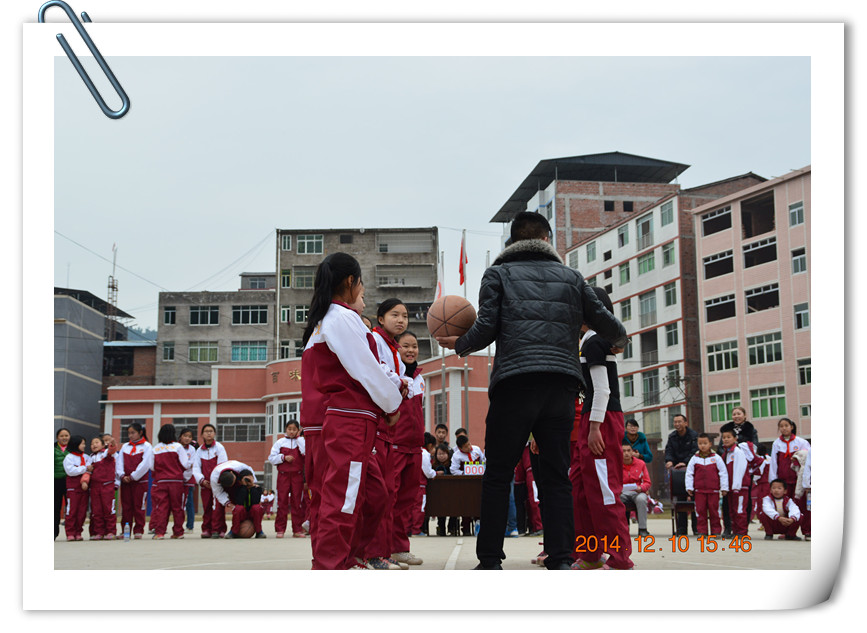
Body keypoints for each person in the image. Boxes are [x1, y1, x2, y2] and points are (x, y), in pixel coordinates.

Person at [437, 211, 627, 570]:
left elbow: (487, 327)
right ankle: (560, 559)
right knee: (557, 478)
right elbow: (609, 323)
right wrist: (618, 341)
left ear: (513, 242)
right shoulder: (572, 277)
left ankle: (490, 560)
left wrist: (459, 342)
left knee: (497, 476)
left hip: (514, 383)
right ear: (546, 240)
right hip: (560, 386)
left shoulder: (498, 274)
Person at [300, 252, 403, 569]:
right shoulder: (341, 319)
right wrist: (393, 403)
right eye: (362, 283)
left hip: (358, 421)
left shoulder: (333, 319)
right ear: (350, 281)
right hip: (349, 420)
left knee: (374, 496)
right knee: (342, 499)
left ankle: (350, 556)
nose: (363, 291)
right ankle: (331, 565)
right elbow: (367, 369)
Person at [570, 286, 633, 570]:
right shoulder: (590, 340)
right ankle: (591, 554)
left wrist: (595, 427)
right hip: (592, 419)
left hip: (602, 419)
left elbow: (603, 389)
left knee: (605, 492)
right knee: (583, 491)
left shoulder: (595, 340)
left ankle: (620, 558)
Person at [357, 297, 414, 570]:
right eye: (395, 314)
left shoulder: (394, 350)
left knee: (389, 494)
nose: (401, 320)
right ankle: (371, 552)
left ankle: (384, 550)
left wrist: (402, 383)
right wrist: (400, 383)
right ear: (380, 319)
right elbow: (378, 372)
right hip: (377, 426)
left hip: (390, 429)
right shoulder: (375, 340)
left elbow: (399, 382)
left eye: (405, 315)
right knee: (376, 493)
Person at [390, 330, 426, 566]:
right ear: (396, 349)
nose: (411, 350)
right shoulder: (391, 375)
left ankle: (400, 548)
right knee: (388, 499)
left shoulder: (420, 379)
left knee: (407, 500)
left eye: (414, 346)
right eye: (406, 346)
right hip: (393, 446)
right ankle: (382, 548)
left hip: (414, 448)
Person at [769, 417, 811, 539]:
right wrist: (773, 480)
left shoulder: (801, 442)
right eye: (781, 426)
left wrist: (808, 481)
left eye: (786, 425)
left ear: (791, 427)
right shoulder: (776, 443)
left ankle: (807, 531)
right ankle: (788, 532)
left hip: (799, 481)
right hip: (783, 482)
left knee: (802, 506)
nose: (784, 428)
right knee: (785, 507)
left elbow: (807, 461)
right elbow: (773, 463)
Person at [148, 424, 192, 539]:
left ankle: (160, 532)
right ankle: (178, 532)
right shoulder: (178, 447)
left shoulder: (156, 448)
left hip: (161, 481)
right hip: (176, 481)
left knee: (162, 507)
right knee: (177, 507)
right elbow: (185, 464)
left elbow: (151, 466)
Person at [269, 420, 308, 538]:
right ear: (286, 429)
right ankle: (280, 529)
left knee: (297, 503)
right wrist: (283, 457)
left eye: (294, 429)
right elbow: (271, 458)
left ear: (298, 430)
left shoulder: (301, 442)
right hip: (283, 475)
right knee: (282, 502)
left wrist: (300, 439)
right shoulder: (280, 442)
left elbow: (306, 453)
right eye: (289, 429)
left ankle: (297, 529)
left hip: (297, 476)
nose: (291, 431)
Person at [685, 433, 728, 538]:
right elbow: (689, 473)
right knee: (700, 511)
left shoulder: (716, 458)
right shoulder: (694, 459)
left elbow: (723, 473)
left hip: (713, 491)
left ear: (710, 444)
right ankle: (702, 531)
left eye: (705, 443)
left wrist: (724, 488)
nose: (702, 446)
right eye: (700, 443)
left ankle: (716, 531)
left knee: (715, 511)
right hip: (699, 491)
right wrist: (689, 487)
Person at [210, 461, 266, 539]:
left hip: (251, 508)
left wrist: (252, 485)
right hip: (241, 507)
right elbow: (219, 494)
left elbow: (256, 500)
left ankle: (259, 531)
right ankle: (233, 531)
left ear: (232, 473)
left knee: (257, 508)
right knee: (238, 508)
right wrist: (228, 503)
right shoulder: (214, 478)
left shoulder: (240, 467)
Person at [191, 423, 229, 538]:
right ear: (202, 434)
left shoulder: (219, 448)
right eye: (206, 431)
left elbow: (222, 465)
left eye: (211, 431)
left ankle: (219, 529)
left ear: (214, 434)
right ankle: (207, 529)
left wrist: (215, 482)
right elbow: (196, 468)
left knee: (218, 507)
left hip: (217, 484)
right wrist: (202, 480)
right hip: (205, 485)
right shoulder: (199, 451)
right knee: (207, 506)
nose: (209, 433)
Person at [664, 413, 699, 537]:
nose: (677, 424)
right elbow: (668, 451)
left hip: (691, 469)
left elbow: (695, 452)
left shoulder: (694, 436)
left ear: (685, 423)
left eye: (679, 422)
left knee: (695, 501)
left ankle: (697, 528)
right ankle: (681, 529)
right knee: (680, 499)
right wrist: (669, 460)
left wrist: (684, 462)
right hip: (677, 473)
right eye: (675, 422)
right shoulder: (672, 436)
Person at [116, 422, 152, 539]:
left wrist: (133, 476)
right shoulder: (125, 447)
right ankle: (125, 531)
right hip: (126, 482)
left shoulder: (147, 446)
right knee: (126, 507)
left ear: (140, 433)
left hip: (140, 482)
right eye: (129, 433)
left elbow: (145, 464)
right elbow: (119, 462)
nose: (130, 436)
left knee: (139, 506)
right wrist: (122, 475)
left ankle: (138, 530)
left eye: (133, 433)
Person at [720, 429, 750, 538]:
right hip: (731, 489)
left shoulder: (738, 452)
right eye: (724, 437)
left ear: (735, 438)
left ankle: (742, 532)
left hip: (740, 488)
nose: (726, 439)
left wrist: (736, 487)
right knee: (732, 510)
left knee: (739, 510)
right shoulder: (726, 454)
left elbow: (739, 470)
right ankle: (735, 531)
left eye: (729, 437)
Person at [88, 435, 119, 540]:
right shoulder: (90, 457)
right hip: (95, 487)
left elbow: (111, 451)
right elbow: (87, 472)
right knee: (97, 511)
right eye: (92, 443)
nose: (94, 445)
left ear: (102, 445)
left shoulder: (105, 454)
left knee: (108, 509)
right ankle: (99, 532)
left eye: (96, 442)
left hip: (107, 486)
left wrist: (112, 445)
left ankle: (110, 531)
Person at [63, 435, 92, 541]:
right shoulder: (69, 457)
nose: (84, 446)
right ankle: (70, 532)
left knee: (82, 512)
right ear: (75, 444)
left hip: (84, 489)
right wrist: (84, 468)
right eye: (82, 443)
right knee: (72, 511)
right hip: (73, 489)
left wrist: (85, 478)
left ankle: (78, 532)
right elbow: (70, 471)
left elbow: (90, 470)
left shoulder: (87, 457)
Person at [621, 443, 653, 538]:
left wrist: (641, 488)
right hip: (622, 492)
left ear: (633, 452)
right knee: (616, 500)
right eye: (623, 451)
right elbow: (612, 482)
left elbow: (647, 482)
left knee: (642, 499)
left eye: (628, 450)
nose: (626, 453)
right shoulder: (616, 464)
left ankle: (642, 529)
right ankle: (623, 529)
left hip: (637, 491)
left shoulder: (641, 464)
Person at [431, 443, 453, 536]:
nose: (442, 456)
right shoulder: (433, 465)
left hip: (451, 492)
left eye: (444, 454)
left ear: (448, 454)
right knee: (440, 509)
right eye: (439, 454)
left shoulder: (451, 465)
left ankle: (451, 528)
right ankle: (441, 528)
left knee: (453, 508)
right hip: (438, 493)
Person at [178, 427, 197, 532]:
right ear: (180, 436)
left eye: (189, 437)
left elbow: (192, 463)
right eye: (185, 436)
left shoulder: (192, 449)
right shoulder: (175, 447)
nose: (187, 438)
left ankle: (190, 526)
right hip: (177, 478)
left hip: (189, 479)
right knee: (177, 504)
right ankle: (177, 526)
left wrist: (184, 467)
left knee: (189, 503)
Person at [54, 428, 71, 540]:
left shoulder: (74, 449)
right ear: (57, 438)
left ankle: (71, 533)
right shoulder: (53, 449)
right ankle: (53, 533)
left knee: (70, 508)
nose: (64, 438)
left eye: (66, 435)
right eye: (62, 436)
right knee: (55, 507)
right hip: (55, 481)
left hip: (70, 482)